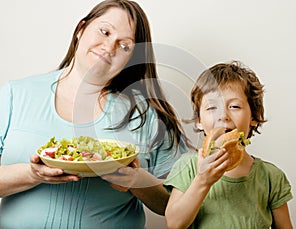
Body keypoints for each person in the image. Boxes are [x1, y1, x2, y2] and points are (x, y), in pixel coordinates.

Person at [0, 0, 189, 228]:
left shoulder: (146, 115)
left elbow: (177, 205)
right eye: (105, 31)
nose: (109, 47)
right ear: (81, 29)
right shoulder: (14, 95)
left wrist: (136, 181)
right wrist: (32, 174)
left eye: (125, 46)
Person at [164, 61, 293, 228]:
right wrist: (203, 180)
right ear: (199, 121)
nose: (223, 115)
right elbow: (174, 224)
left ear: (254, 117)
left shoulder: (270, 177)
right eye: (211, 107)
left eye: (234, 106)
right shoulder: (187, 167)